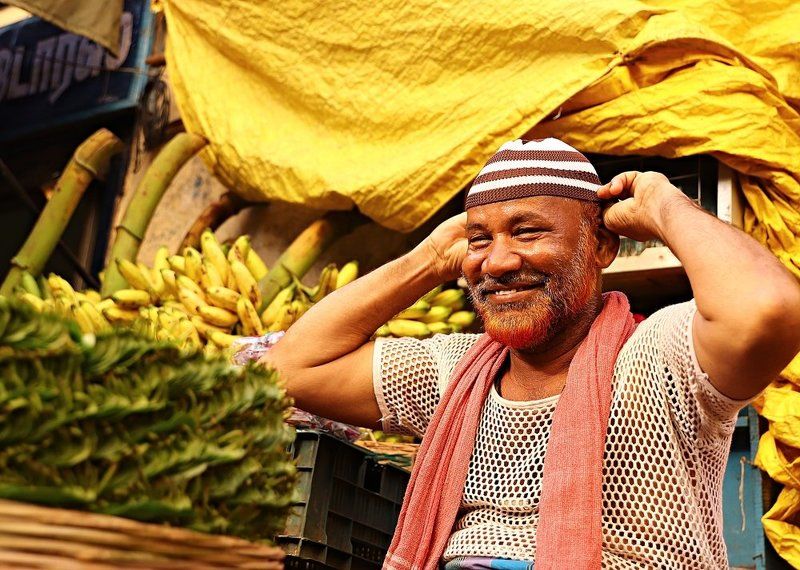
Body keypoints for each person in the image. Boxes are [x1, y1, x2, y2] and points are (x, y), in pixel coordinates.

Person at [263, 138, 800, 569]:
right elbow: (290, 370)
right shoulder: (455, 372)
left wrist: (663, 205)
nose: (497, 262)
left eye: (528, 232)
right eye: (480, 240)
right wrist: (431, 257)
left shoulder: (659, 357)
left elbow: (769, 308)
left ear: (601, 246)